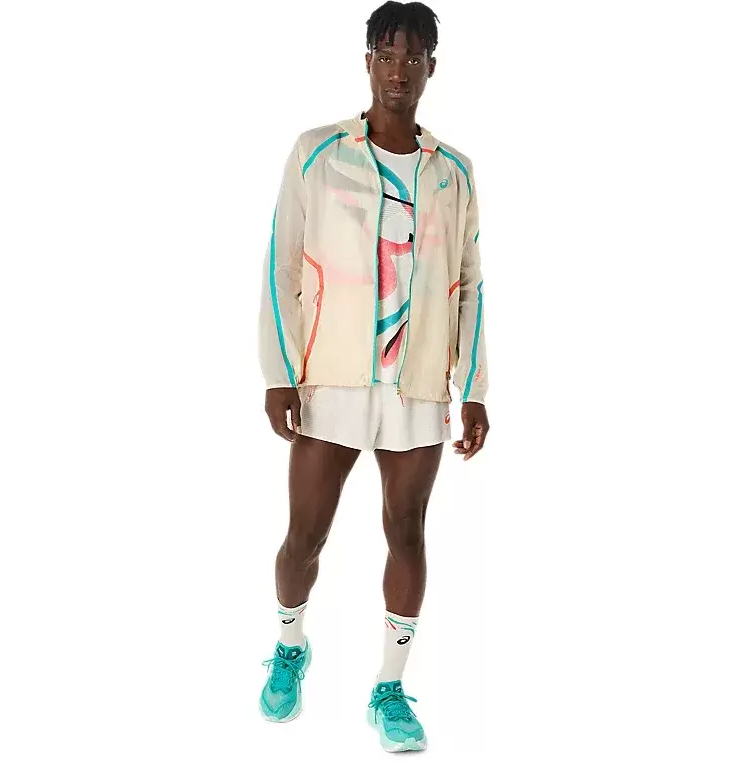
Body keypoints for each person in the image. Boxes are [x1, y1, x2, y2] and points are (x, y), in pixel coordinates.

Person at [256, 1, 490, 753]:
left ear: (431, 68)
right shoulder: (318, 153)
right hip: (331, 378)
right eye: (386, 56)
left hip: (416, 385)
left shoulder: (453, 172)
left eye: (412, 58)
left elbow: (470, 284)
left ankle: (389, 687)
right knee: (304, 536)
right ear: (367, 62)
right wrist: (280, 372)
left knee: (407, 531)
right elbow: (282, 266)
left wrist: (474, 388)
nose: (398, 72)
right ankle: (290, 643)